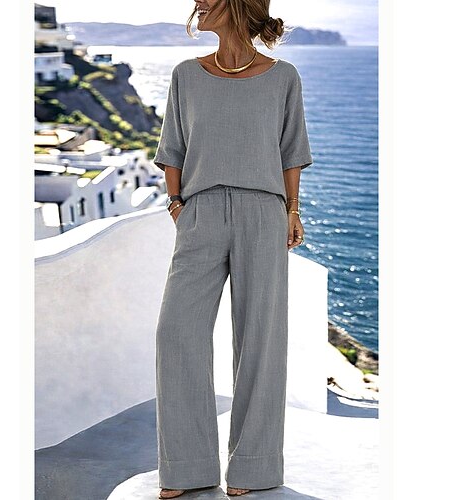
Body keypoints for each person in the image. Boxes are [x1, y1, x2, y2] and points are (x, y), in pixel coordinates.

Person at [152, 1, 313, 498]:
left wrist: (291, 209)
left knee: (261, 340)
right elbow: (172, 148)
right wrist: (177, 204)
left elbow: (291, 151)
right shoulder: (186, 74)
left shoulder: (283, 77)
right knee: (175, 333)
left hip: (264, 212)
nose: (197, 3)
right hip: (200, 212)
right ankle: (186, 467)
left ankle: (254, 468)